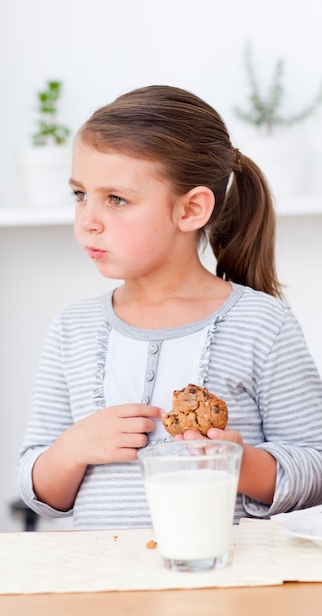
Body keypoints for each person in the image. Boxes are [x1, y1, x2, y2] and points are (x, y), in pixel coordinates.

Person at [17, 85, 322, 530]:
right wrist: (73, 448)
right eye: (80, 194)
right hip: (103, 586)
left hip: (227, 584)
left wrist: (241, 464)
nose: (88, 219)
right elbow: (40, 491)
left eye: (116, 199)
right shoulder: (72, 329)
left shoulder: (262, 324)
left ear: (191, 209)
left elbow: (315, 467)